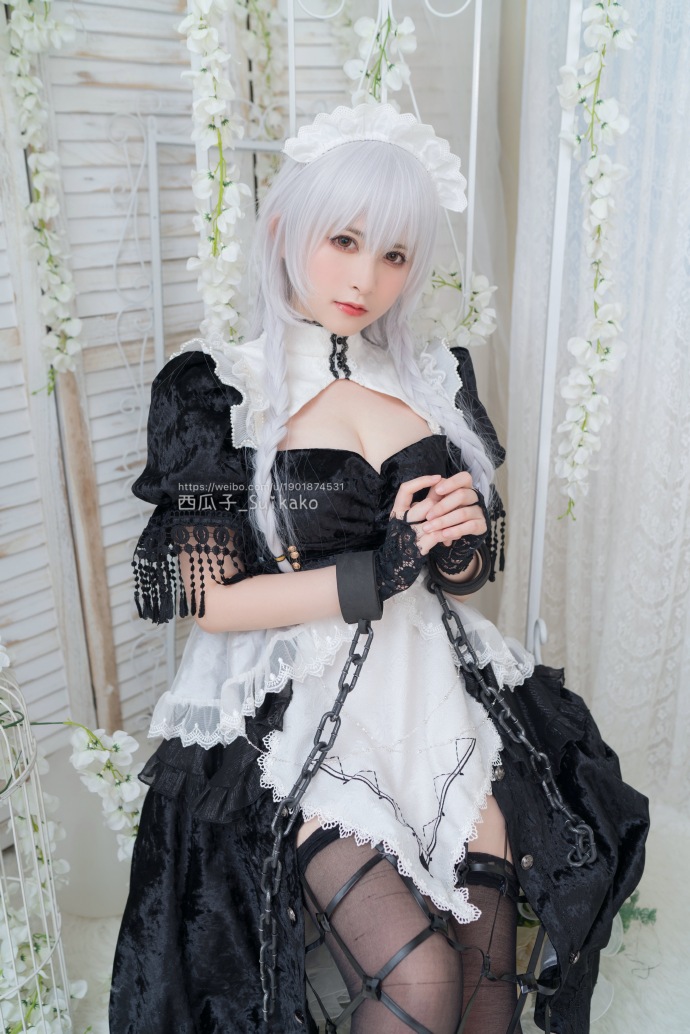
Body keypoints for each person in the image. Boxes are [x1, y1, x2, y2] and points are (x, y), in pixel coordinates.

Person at [109, 104, 648, 1034]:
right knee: (420, 982)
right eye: (345, 241)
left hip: (432, 690)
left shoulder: (433, 379)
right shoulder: (220, 385)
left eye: (394, 255)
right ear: (286, 229)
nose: (366, 279)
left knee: (485, 969)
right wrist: (374, 573)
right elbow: (211, 602)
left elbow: (465, 571)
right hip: (295, 705)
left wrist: (458, 543)